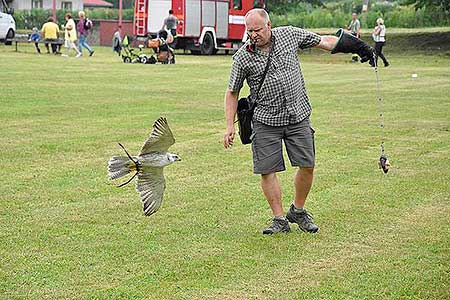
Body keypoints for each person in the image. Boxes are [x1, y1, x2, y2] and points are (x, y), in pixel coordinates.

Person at [223, 8, 374, 235]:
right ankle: (279, 219)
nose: (253, 35)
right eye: (249, 31)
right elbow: (232, 92)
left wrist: (359, 46)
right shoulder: (243, 56)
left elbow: (324, 41)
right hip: (265, 120)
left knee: (307, 165)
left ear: (269, 25)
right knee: (267, 170)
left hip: (298, 115)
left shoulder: (290, 35)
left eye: (257, 30)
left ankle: (298, 210)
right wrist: (228, 126)